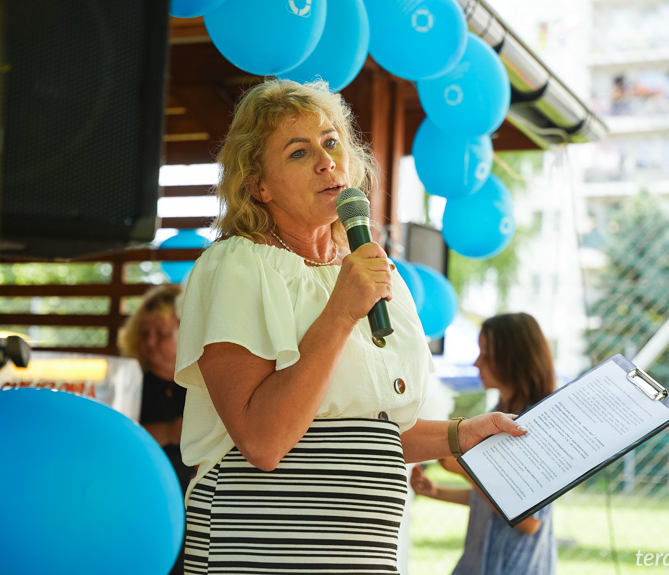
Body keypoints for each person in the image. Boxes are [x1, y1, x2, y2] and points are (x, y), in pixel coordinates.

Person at [173, 78, 527, 574]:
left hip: (363, 557)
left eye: (332, 141)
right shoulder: (238, 265)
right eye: (299, 152)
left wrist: (461, 434)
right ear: (259, 185)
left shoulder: (376, 272)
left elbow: (373, 432)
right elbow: (264, 440)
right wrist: (339, 313)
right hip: (263, 551)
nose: (326, 161)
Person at [410, 312, 557, 575]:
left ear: (512, 359)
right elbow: (490, 500)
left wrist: (465, 470)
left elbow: (530, 521)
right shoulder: (500, 413)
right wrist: (436, 491)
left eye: (486, 354)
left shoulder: (535, 425)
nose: (477, 363)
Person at [119, 284, 191, 575]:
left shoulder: (203, 383)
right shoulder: (129, 383)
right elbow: (118, 441)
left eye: (160, 334)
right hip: (143, 500)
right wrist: (169, 432)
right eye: (144, 333)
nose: (149, 342)